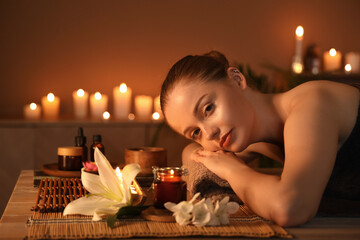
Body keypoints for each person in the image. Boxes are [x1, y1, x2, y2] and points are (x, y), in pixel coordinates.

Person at [160, 51, 360, 227]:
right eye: (195, 132)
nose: (209, 133)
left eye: (208, 108)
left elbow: (290, 208)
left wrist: (233, 169)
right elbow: (192, 154)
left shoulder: (312, 104)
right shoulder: (252, 138)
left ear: (236, 80)